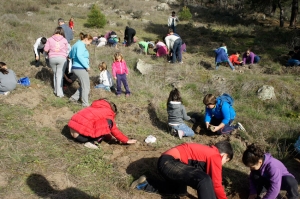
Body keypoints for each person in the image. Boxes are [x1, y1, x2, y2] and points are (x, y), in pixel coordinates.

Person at [131, 140, 233, 199]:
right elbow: (216, 183)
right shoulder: (215, 155)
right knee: (204, 179)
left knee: (179, 191)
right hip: (170, 162)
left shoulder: (207, 152)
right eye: (225, 162)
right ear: (224, 155)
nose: (222, 165)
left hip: (168, 163)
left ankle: (145, 184)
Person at [68, 98, 137, 149]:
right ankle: (92, 143)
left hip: (72, 131)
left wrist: (109, 138)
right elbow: (113, 129)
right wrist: (126, 140)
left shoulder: (95, 107)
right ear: (114, 111)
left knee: (103, 124)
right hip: (81, 137)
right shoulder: (109, 112)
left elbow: (99, 127)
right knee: (109, 123)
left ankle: (91, 140)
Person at [68, 32, 93, 107]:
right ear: (86, 39)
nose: (89, 44)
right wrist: (86, 66)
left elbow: (70, 55)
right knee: (86, 86)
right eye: (89, 42)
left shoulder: (76, 44)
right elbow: (79, 56)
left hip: (76, 67)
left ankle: (73, 99)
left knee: (84, 85)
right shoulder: (81, 45)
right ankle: (85, 103)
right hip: (80, 67)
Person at [44, 27, 69, 98]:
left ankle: (55, 90)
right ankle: (59, 93)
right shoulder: (64, 40)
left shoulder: (49, 39)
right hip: (62, 58)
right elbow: (67, 50)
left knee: (55, 74)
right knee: (59, 76)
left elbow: (46, 50)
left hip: (52, 58)